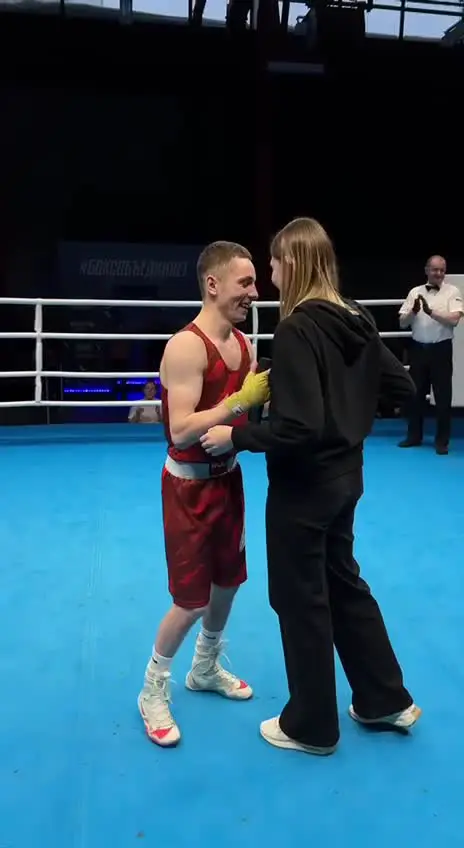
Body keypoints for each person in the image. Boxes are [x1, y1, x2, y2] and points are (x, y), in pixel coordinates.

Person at [201, 217, 421, 756]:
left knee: (299, 598)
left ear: (293, 263)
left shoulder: (298, 328)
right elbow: (401, 386)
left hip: (303, 488)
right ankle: (385, 698)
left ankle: (311, 725)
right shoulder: (356, 316)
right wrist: (347, 412)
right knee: (343, 583)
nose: (270, 275)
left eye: (274, 264)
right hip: (347, 478)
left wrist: (236, 435)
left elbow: (297, 428)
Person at [138, 240, 269, 747]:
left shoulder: (244, 345)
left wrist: (253, 413)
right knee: (190, 600)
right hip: (188, 489)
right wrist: (238, 402)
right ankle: (152, 688)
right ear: (213, 284)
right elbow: (181, 429)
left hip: (228, 480)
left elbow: (242, 417)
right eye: (245, 283)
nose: (254, 293)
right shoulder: (186, 347)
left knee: (228, 582)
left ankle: (205, 667)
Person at [398, 255, 463, 455]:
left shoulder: (452, 291)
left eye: (442, 270)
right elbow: (402, 323)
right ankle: (414, 436)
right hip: (418, 349)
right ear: (426, 270)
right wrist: (413, 312)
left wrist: (431, 312)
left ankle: (442, 441)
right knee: (415, 394)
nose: (439, 273)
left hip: (441, 349)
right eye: (435, 269)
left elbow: (454, 320)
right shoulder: (414, 292)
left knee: (443, 397)